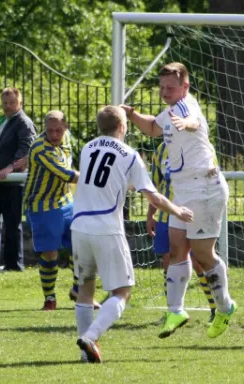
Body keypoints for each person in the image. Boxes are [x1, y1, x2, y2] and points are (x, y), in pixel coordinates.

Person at [123, 62, 236, 339]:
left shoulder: (187, 107)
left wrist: (185, 124)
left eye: (170, 88)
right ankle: (175, 311)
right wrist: (133, 115)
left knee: (202, 254)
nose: (165, 92)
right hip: (183, 191)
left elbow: (194, 121)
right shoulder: (170, 110)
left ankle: (225, 306)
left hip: (205, 189)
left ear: (184, 87)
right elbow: (152, 128)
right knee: (176, 249)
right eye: (161, 88)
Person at [72, 106, 193, 363]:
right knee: (122, 291)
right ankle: (91, 337)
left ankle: (85, 353)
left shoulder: (87, 148)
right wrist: (177, 210)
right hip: (107, 228)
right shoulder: (129, 155)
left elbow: (100, 179)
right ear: (123, 127)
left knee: (85, 289)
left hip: (79, 226)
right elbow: (154, 197)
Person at [24, 110, 94, 310]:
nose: (54, 135)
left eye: (58, 130)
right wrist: (99, 178)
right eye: (50, 131)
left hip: (66, 202)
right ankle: (50, 298)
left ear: (65, 128)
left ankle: (78, 289)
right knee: (50, 253)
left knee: (79, 245)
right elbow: (66, 174)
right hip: (42, 206)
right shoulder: (40, 148)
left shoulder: (67, 138)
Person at [147, 141, 217, 324]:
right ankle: (173, 311)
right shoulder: (161, 150)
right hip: (166, 215)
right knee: (168, 261)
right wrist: (150, 214)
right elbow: (155, 186)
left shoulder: (200, 146)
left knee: (199, 260)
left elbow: (213, 178)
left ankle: (216, 308)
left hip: (195, 212)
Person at [0, 87, 36, 272]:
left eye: (12, 102)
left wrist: (11, 168)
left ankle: (13, 266)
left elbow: (27, 149)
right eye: (5, 103)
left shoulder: (23, 122)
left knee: (12, 225)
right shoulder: (4, 121)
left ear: (20, 103)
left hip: (11, 182)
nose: (8, 106)